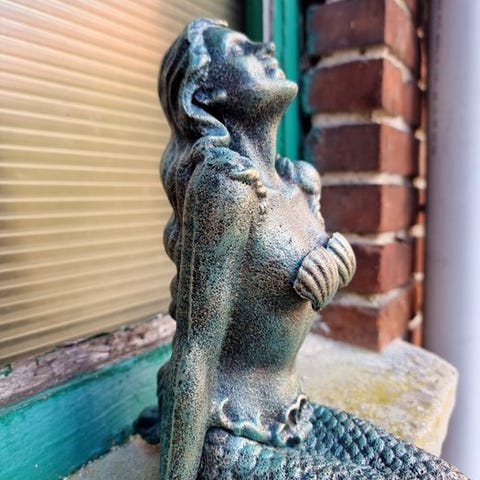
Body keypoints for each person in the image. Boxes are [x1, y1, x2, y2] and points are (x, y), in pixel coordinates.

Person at [135, 18, 469, 480]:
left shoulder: (300, 183)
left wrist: (334, 271)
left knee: (434, 473)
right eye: (239, 50)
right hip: (227, 430)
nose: (267, 47)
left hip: (291, 410)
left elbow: (282, 286)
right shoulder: (226, 188)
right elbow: (196, 346)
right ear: (206, 97)